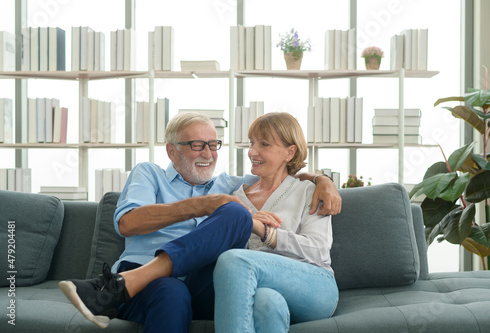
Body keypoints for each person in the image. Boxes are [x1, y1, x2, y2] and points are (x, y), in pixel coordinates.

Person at [59, 112, 341, 333]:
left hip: (201, 282)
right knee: (171, 294)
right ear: (171, 151)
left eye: (213, 144)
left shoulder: (227, 185)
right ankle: (130, 282)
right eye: (196, 145)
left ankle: (118, 286)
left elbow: (282, 176)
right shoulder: (149, 174)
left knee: (235, 213)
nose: (207, 153)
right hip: (152, 279)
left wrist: (323, 181)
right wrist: (201, 206)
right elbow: (128, 223)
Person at [213, 112, 339, 332]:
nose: (253, 152)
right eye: (252, 143)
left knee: (234, 260)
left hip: (315, 285)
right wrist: (243, 224)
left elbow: (318, 250)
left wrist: (264, 232)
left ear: (289, 152)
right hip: (262, 287)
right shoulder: (236, 196)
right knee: (266, 302)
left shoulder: (309, 191)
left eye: (264, 144)